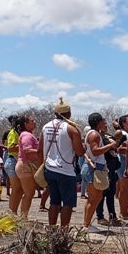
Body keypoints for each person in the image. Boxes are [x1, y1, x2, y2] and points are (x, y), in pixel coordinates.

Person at [37, 98, 85, 228]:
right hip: (65, 171)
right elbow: (80, 152)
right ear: (68, 113)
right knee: (68, 204)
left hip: (49, 169)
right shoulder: (71, 129)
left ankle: (52, 231)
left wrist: (40, 167)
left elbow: (39, 150)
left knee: (54, 202)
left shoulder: (45, 127)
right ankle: (64, 233)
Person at [82, 113, 121, 231]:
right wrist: (110, 145)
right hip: (94, 168)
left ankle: (87, 223)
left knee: (95, 197)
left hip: (96, 167)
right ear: (97, 122)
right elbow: (95, 151)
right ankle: (86, 225)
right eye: (103, 121)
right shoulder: (94, 134)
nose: (105, 123)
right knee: (94, 197)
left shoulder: (96, 133)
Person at [14, 115, 39, 219]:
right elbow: (27, 150)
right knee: (29, 193)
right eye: (32, 121)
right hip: (25, 166)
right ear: (26, 124)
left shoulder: (26, 134)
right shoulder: (27, 136)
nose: (34, 122)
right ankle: (23, 217)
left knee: (27, 192)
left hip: (24, 166)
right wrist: (41, 152)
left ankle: (22, 216)